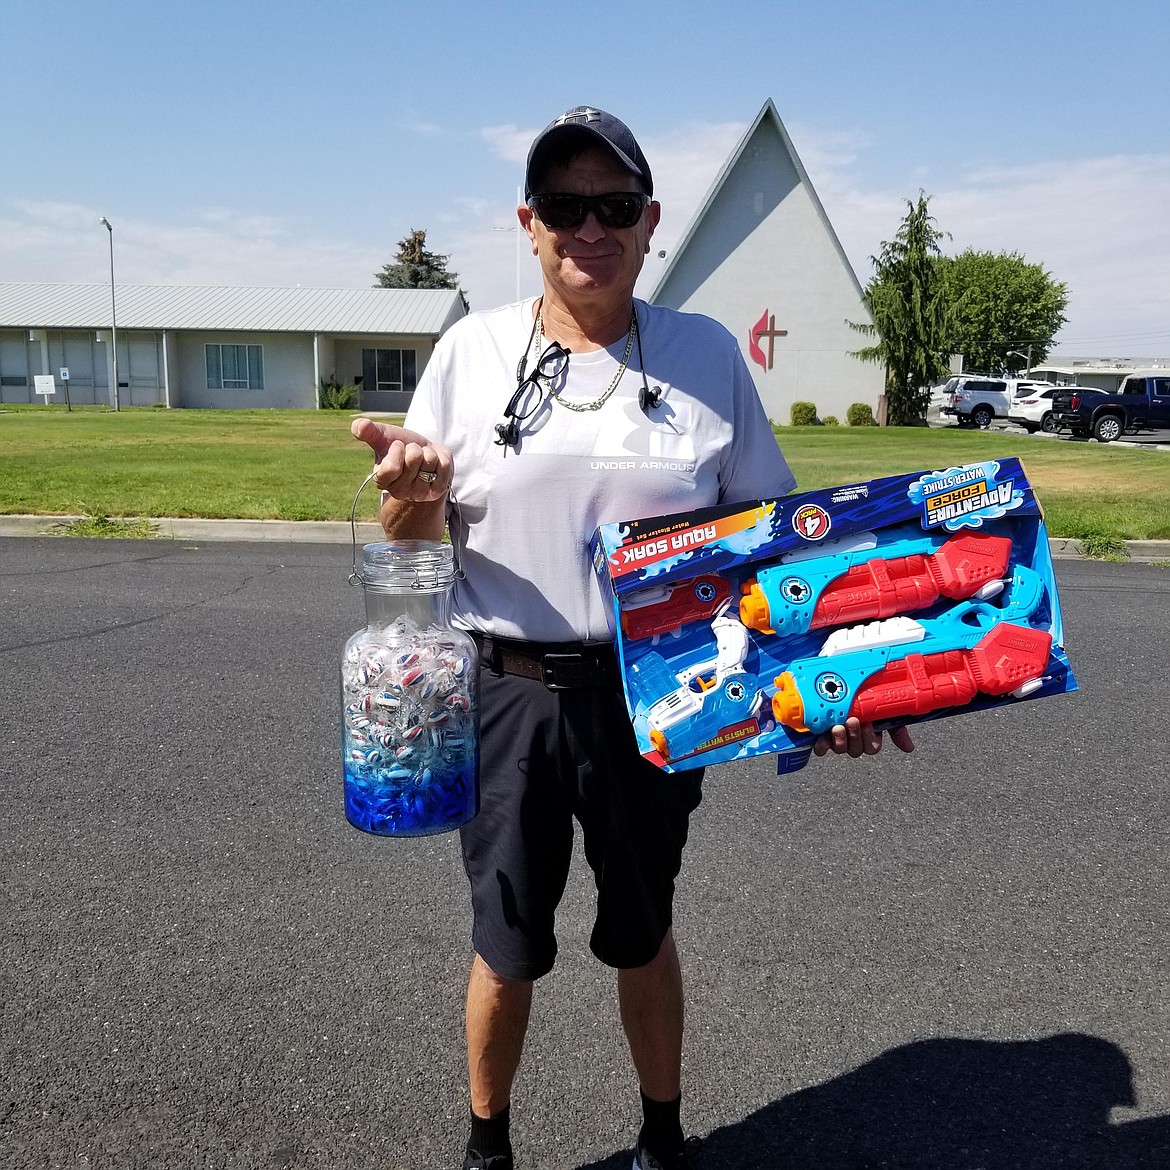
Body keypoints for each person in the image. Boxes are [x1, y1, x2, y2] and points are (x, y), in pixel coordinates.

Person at [353, 105, 914, 1170]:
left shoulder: (703, 355)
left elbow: (775, 554)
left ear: (650, 221)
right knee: (506, 943)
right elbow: (408, 536)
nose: (589, 228)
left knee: (643, 925)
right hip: (506, 686)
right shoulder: (471, 353)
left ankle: (662, 1136)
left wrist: (847, 684)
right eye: (564, 205)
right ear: (528, 222)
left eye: (614, 205)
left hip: (662, 689)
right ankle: (487, 1145)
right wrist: (412, 496)